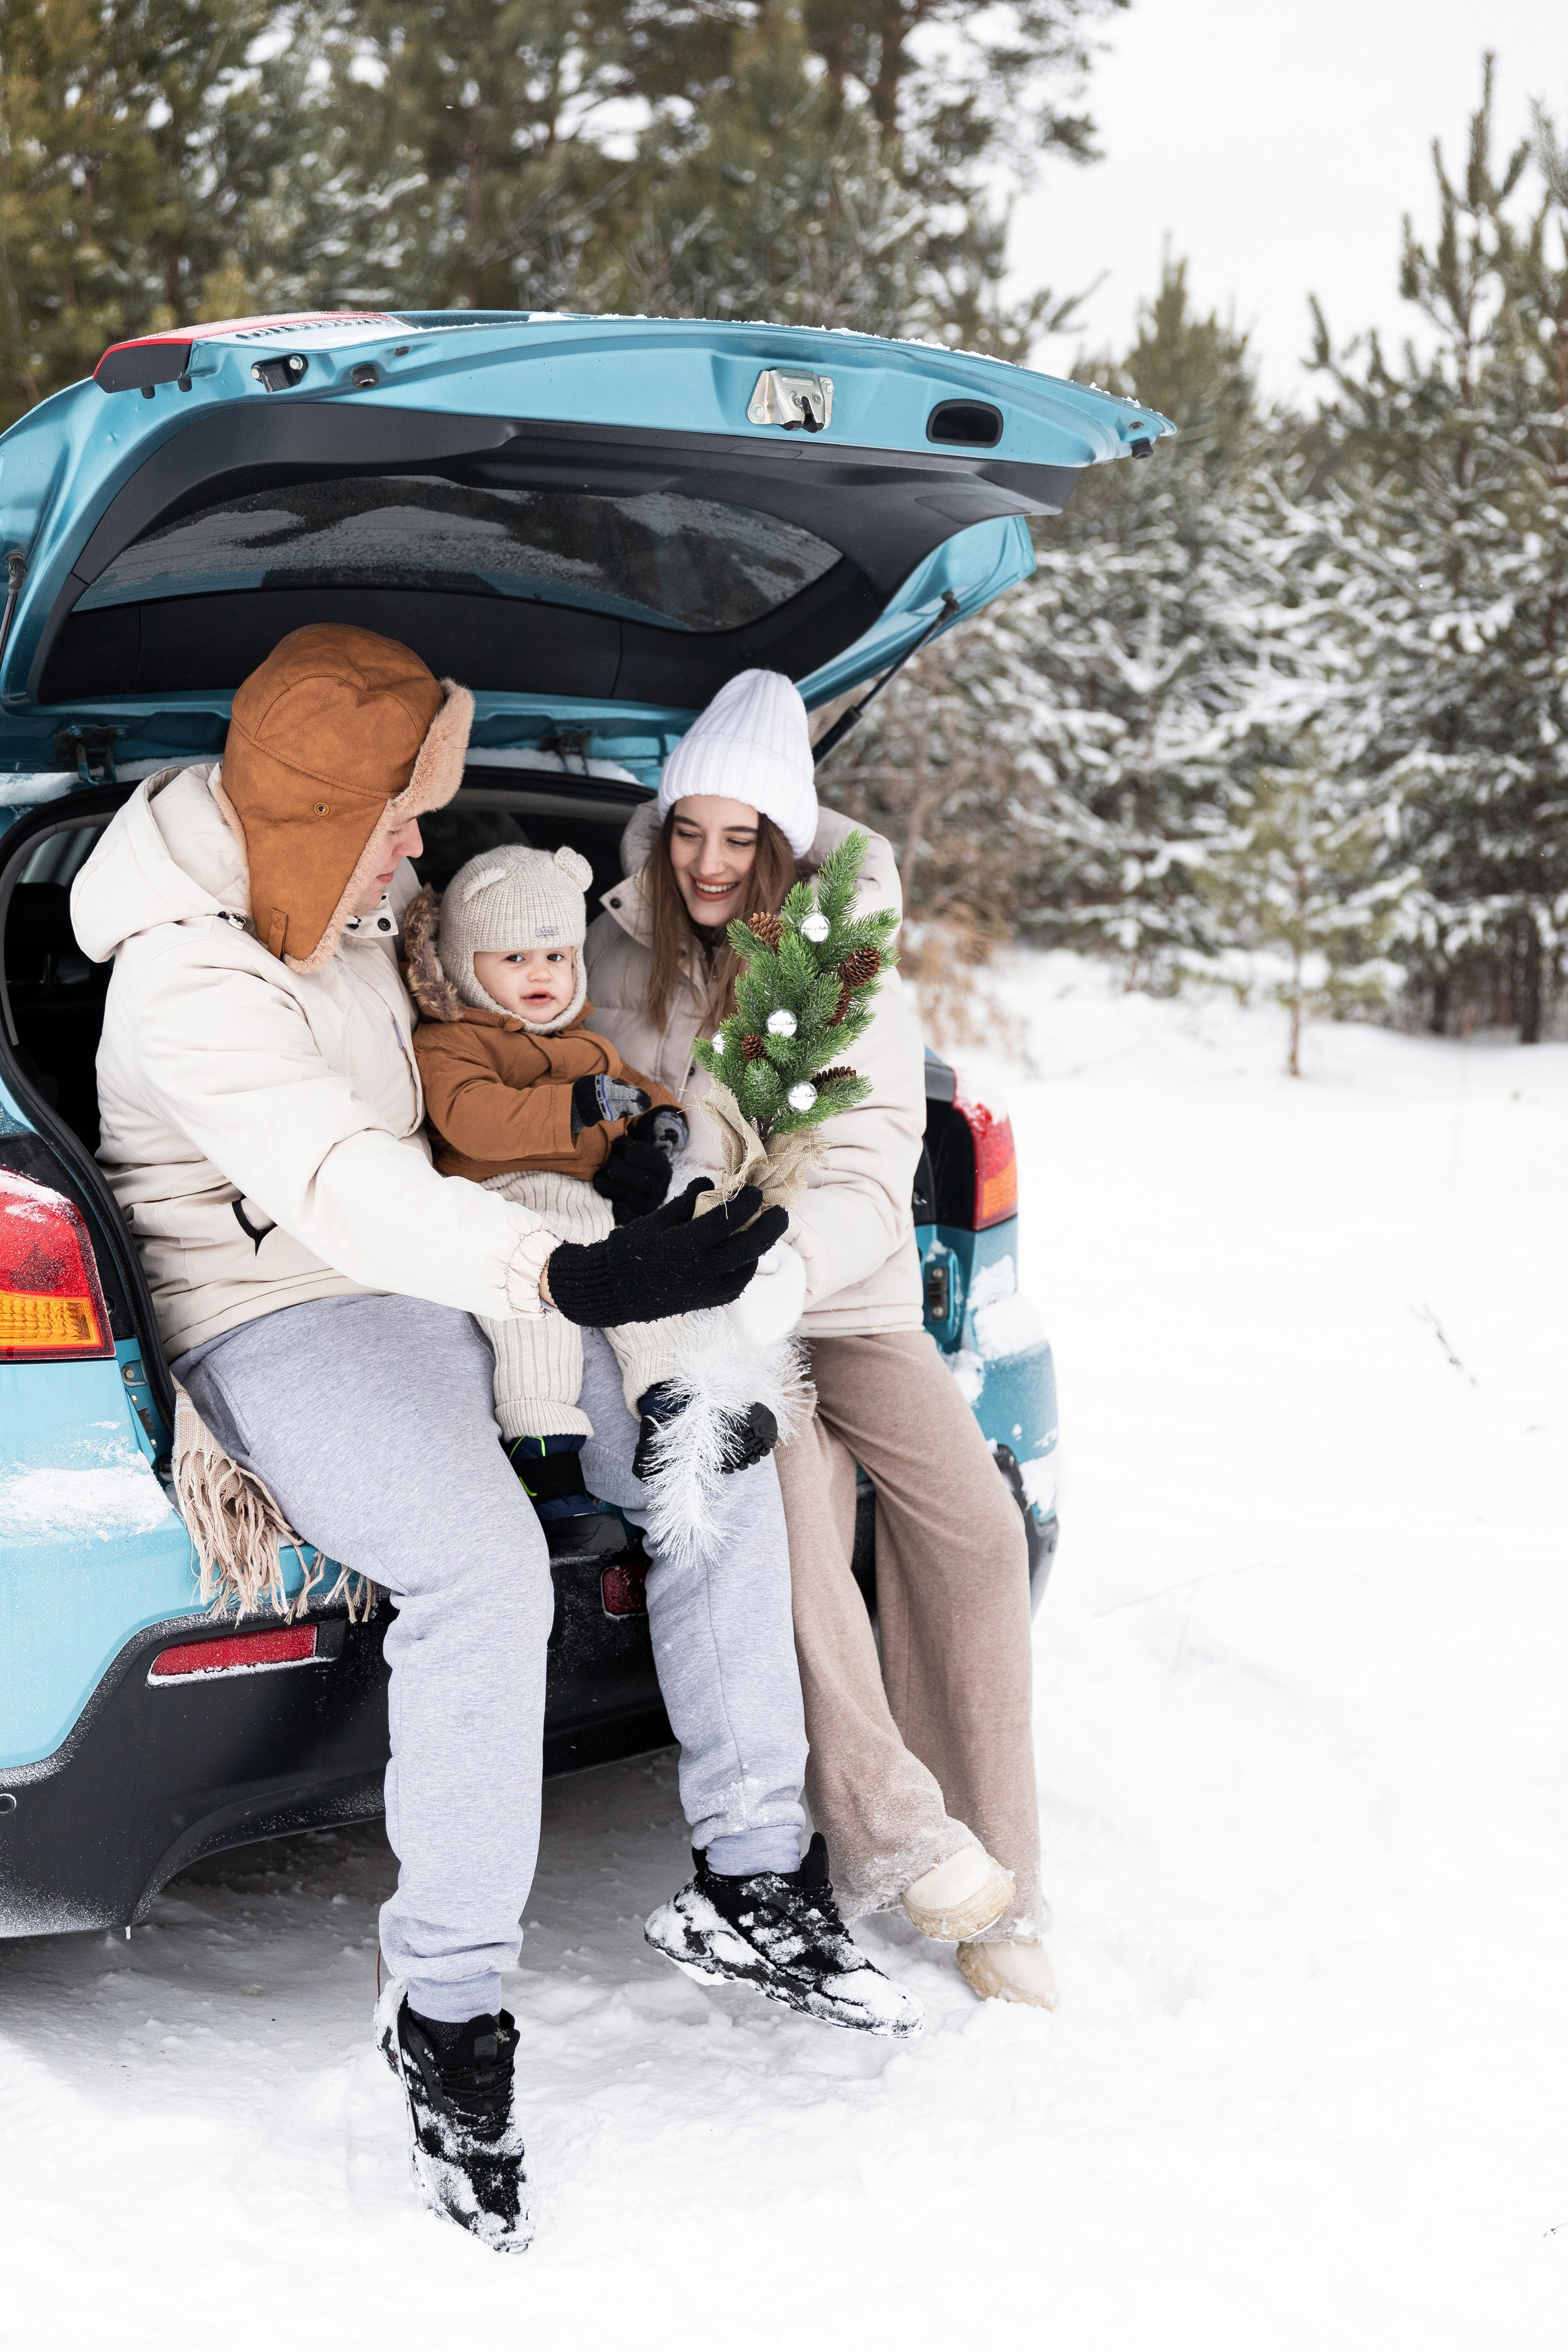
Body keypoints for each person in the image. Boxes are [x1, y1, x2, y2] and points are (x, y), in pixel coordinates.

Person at [69, 625, 912, 2262]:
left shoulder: (345, 906)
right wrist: (563, 1272)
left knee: (708, 1440)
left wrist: (619, 1169)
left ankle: (752, 1873)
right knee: (484, 1572)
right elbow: (338, 1181)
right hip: (282, 1304)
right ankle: (447, 2014)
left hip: (445, 1259)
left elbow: (483, 1075)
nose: (416, 849)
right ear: (324, 811)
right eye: (399, 816)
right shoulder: (187, 980)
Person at [585, 667, 1057, 2013]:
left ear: (785, 845)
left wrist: (785, 1270)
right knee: (793, 1511)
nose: (709, 863)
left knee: (975, 1528)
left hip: (837, 1295)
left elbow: (868, 1168)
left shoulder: (850, 971)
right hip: (701, 1305)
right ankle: (905, 1843)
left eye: (741, 839)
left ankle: (1008, 1890)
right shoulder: (614, 951)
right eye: (689, 831)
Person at [401, 842, 778, 1550]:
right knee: (533, 1335)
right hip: (505, 1212)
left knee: (650, 1298)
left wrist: (661, 1125)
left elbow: (644, 1091)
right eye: (514, 958)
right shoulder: (452, 1043)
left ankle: (676, 1415)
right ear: (464, 965)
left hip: (591, 1207)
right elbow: (472, 1118)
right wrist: (575, 1107)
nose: (541, 973)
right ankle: (549, 1477)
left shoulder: (588, 1047)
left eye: (557, 956)